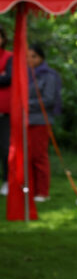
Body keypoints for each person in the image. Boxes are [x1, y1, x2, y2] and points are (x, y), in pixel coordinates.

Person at [26, 43, 62, 202]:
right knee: (27, 156)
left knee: (39, 156)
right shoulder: (25, 74)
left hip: (40, 120)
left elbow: (48, 99)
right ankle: (31, 189)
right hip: (26, 120)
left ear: (41, 58)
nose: (30, 60)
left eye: (33, 56)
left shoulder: (49, 75)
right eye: (27, 56)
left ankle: (42, 192)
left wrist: (25, 103)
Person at [0, 26, 12, 197]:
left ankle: (7, 180)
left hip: (4, 111)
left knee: (4, 147)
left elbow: (8, 78)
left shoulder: (9, 57)